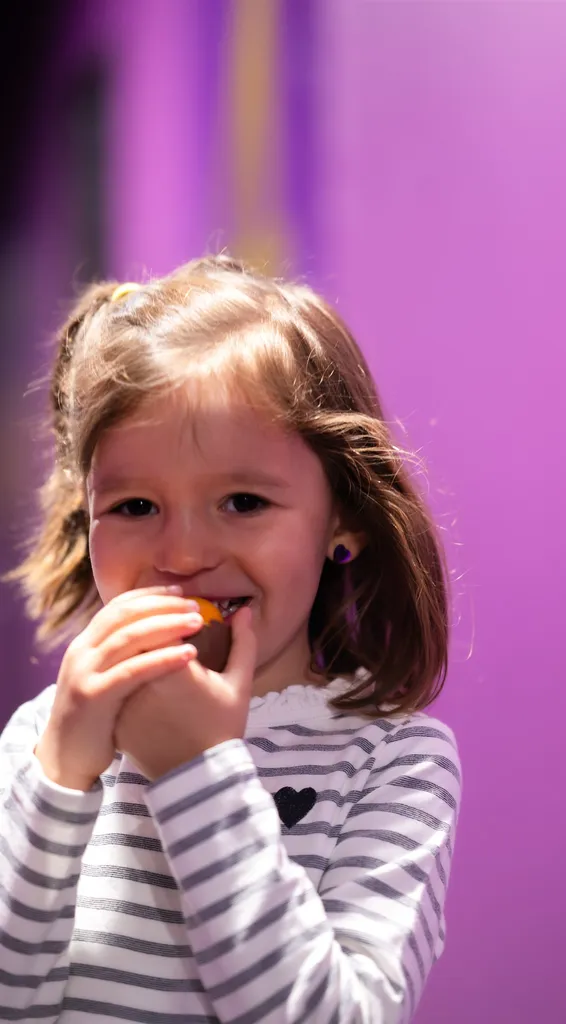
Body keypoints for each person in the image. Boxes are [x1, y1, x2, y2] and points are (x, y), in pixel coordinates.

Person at [0, 255, 461, 1023]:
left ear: (343, 518)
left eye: (243, 501)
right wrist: (60, 778)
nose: (182, 555)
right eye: (136, 506)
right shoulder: (40, 740)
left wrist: (196, 774)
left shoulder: (395, 763)